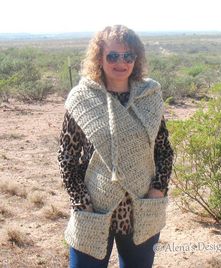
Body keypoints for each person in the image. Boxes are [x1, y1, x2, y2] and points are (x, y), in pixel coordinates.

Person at [57, 25, 174, 268]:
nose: (121, 62)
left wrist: (158, 190)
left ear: (135, 59)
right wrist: (81, 201)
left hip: (141, 207)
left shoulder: (150, 96)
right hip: (93, 207)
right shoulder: (83, 99)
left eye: (127, 56)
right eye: (112, 56)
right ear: (100, 58)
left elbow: (163, 149)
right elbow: (67, 156)